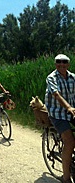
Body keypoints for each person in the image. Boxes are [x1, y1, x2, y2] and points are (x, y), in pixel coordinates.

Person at [45, 54, 75, 183]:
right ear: (55, 64)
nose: (61, 64)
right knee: (70, 142)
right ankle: (66, 178)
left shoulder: (73, 77)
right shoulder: (52, 77)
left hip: (72, 111)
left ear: (68, 64)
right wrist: (68, 107)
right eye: (58, 62)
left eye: (64, 62)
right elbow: (56, 94)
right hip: (57, 113)